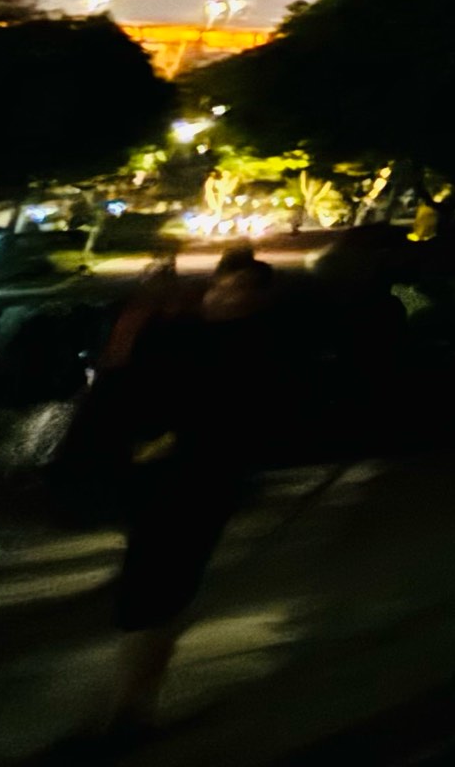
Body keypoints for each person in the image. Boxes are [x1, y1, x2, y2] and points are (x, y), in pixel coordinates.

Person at [90, 243, 285, 738]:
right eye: (220, 286)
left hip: (191, 483)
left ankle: (131, 707)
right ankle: (131, 708)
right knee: (156, 593)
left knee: (159, 592)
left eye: (234, 289)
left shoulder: (235, 346)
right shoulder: (196, 338)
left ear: (256, 299)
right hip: (172, 483)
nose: (219, 295)